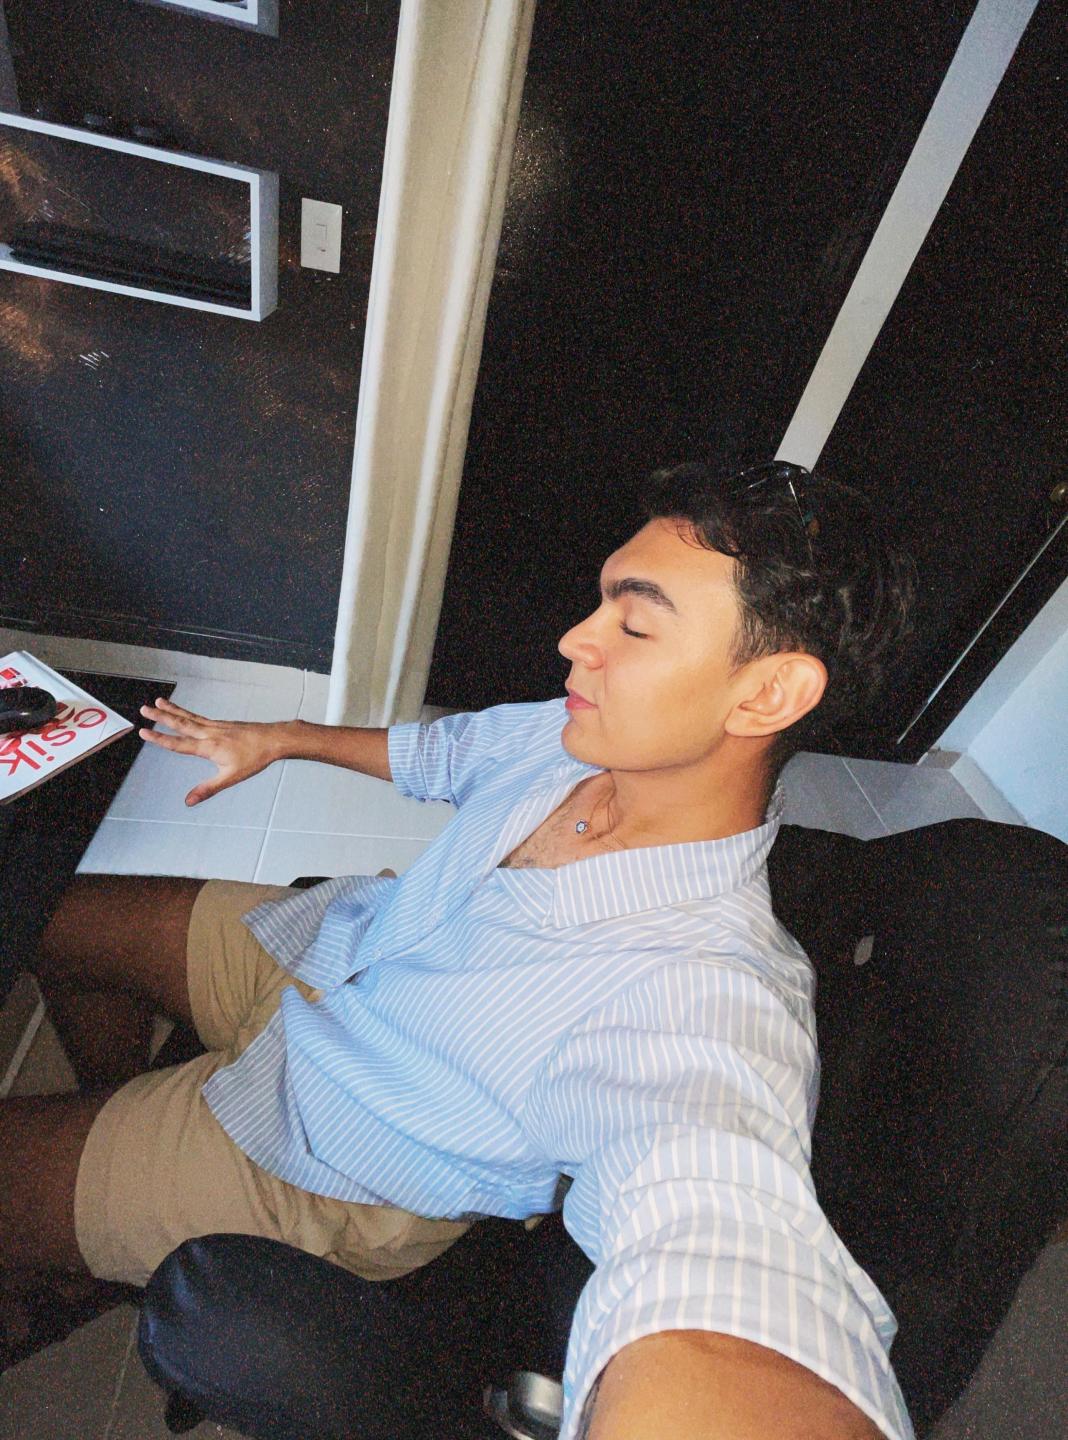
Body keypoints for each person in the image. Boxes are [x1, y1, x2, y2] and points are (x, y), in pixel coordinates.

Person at [1, 461, 916, 1440]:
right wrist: (282, 738)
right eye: (602, 604)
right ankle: (99, 1193)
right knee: (43, 911)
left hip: (327, 1152)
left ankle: (93, 1200)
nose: (576, 640)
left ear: (768, 693)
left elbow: (723, 1246)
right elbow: (439, 755)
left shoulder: (709, 998)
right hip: (327, 950)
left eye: (636, 626)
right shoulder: (579, 736)